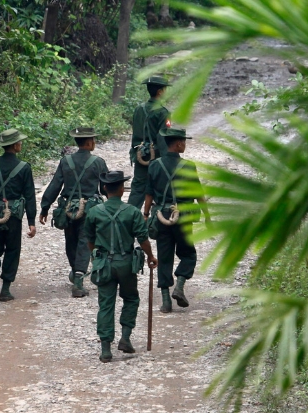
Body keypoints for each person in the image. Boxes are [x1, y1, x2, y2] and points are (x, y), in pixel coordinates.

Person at [82, 171, 158, 362]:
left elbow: (89, 240)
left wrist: (95, 256)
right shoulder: (132, 212)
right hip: (126, 263)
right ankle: (125, 338)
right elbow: (143, 239)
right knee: (131, 298)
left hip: (104, 264)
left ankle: (106, 349)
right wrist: (150, 256)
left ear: (105, 189)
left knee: (106, 304)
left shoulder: (94, 212)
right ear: (123, 189)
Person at [40, 127, 110, 298]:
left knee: (70, 241)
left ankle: (75, 271)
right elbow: (105, 187)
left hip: (68, 209)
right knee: (85, 242)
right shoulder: (98, 162)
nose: (94, 142)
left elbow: (55, 185)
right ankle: (78, 280)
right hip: (90, 210)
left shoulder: (65, 161)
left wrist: (45, 207)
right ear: (88, 142)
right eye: (93, 139)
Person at [144, 128, 209, 313]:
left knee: (164, 257)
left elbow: (149, 193)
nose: (185, 145)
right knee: (188, 254)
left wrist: (146, 214)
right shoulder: (188, 166)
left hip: (161, 217)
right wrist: (207, 216)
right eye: (184, 142)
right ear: (179, 143)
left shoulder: (154, 165)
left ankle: (165, 302)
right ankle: (179, 287)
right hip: (183, 217)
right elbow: (199, 195)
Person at [0, 129, 37, 302]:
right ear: (14, 145)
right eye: (19, 141)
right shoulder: (24, 167)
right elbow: (29, 196)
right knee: (12, 249)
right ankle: (5, 290)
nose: (21, 144)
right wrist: (32, 222)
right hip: (13, 215)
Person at [127, 76, 172, 209]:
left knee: (137, 190)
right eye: (164, 89)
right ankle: (155, 221)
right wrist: (167, 160)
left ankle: (128, 220)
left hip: (140, 155)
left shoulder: (138, 109)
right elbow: (163, 137)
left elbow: (135, 132)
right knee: (160, 189)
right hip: (157, 157)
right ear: (160, 92)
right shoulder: (164, 113)